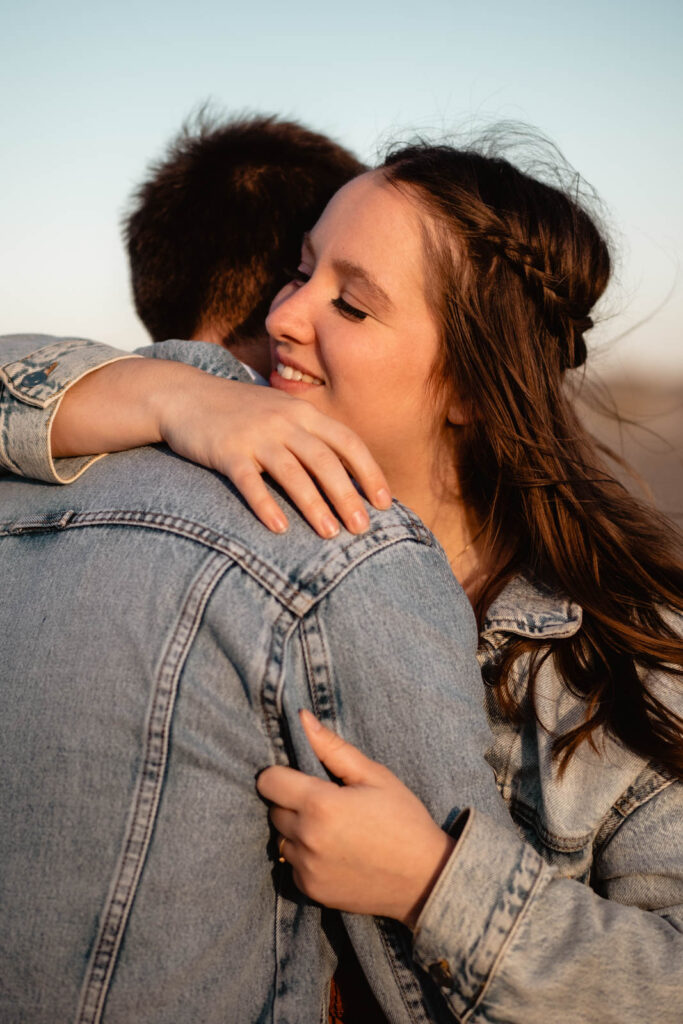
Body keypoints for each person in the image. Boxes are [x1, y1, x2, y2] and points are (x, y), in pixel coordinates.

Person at [3, 134, 683, 1022]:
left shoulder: (625, 654)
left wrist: (437, 887)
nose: (283, 316)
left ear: (470, 386)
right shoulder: (231, 512)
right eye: (300, 270)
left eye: (352, 305)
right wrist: (171, 394)